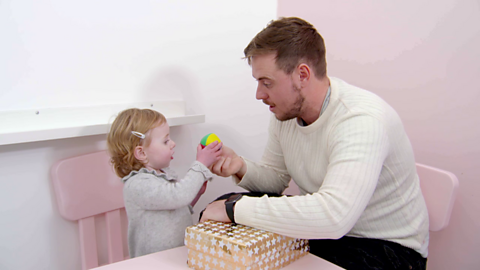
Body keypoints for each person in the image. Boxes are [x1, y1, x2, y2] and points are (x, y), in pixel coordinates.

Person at [199, 17, 429, 270]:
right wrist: (240, 166)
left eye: (267, 83)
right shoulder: (285, 113)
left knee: (232, 208)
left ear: (302, 75)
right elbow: (275, 181)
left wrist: (234, 210)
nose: (259, 95)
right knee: (223, 202)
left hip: (387, 250)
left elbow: (334, 215)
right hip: (328, 235)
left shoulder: (360, 119)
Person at [107, 108, 222, 258]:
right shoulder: (138, 185)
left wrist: (196, 194)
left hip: (175, 256)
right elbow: (178, 196)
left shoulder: (162, 175)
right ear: (141, 153)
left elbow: (173, 209)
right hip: (152, 262)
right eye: (166, 141)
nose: (173, 144)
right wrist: (200, 165)